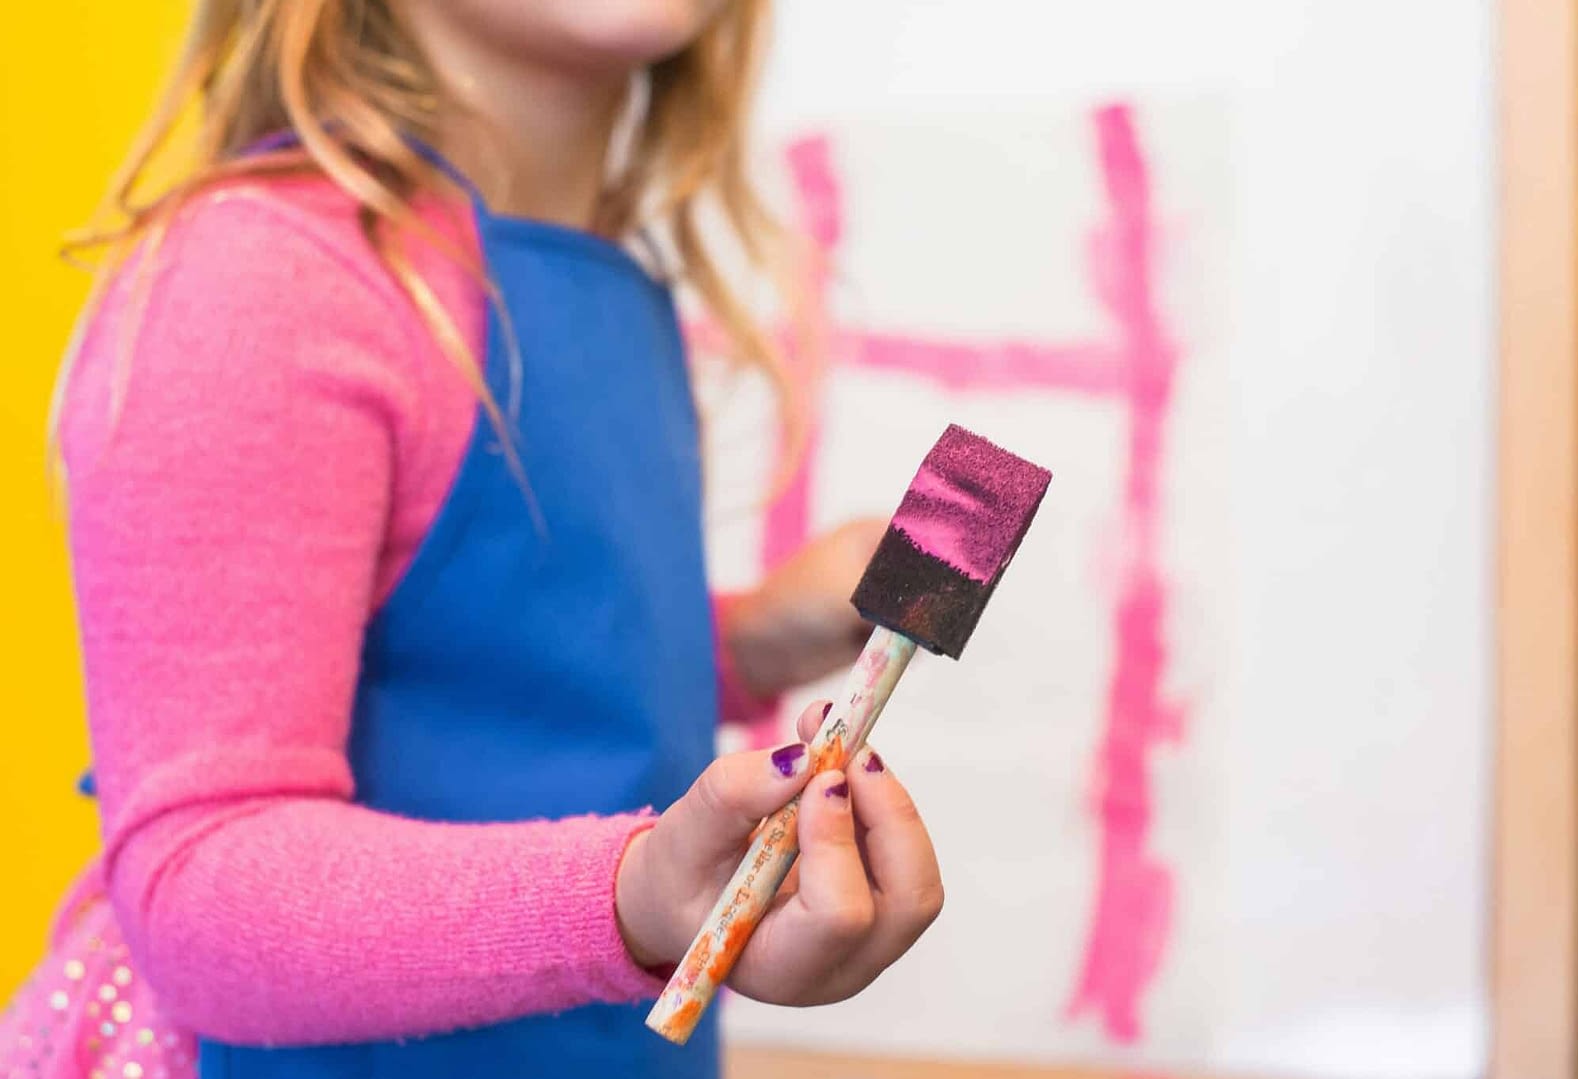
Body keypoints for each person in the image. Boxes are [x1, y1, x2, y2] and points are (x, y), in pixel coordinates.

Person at [0, 3, 944, 1077]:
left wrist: (750, 643)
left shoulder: (620, 298)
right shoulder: (266, 278)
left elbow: (498, 669)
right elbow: (199, 876)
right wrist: (631, 892)